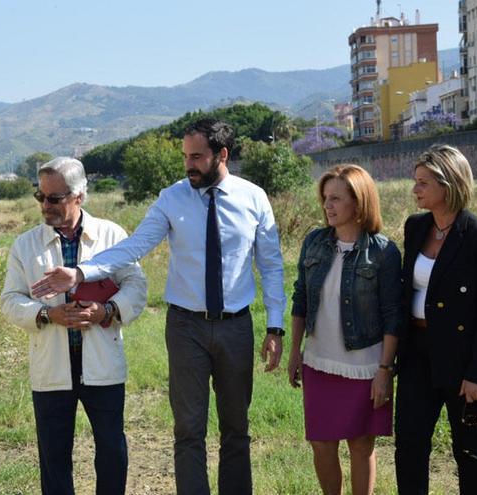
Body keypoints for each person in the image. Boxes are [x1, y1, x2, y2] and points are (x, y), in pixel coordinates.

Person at [31, 119, 286, 494]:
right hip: (186, 329)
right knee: (188, 430)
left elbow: (272, 264)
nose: (189, 164)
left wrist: (275, 327)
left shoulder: (254, 198)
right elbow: (133, 247)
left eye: (197, 156)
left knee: (236, 428)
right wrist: (81, 273)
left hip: (236, 327)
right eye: (185, 156)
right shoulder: (172, 198)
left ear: (222, 154)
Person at [0, 157, 147, 495]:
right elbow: (10, 300)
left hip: (103, 364)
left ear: (79, 196)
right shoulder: (26, 245)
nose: (45, 206)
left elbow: (137, 287)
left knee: (112, 451)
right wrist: (46, 315)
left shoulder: (111, 235)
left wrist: (106, 310)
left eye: (55, 198)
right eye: (41, 197)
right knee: (53, 458)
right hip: (51, 367)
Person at [394, 144, 477, 495]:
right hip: (417, 352)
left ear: (448, 185)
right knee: (410, 444)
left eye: (423, 183)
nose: (415, 189)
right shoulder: (416, 227)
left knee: (469, 450)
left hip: (466, 360)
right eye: (416, 181)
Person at [287, 164, 401, 495]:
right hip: (319, 362)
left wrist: (385, 370)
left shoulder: (383, 251)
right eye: (325, 198)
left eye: (336, 198)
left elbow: (393, 314)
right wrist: (296, 351)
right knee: (321, 444)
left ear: (359, 201)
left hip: (366, 366)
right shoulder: (314, 243)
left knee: (361, 446)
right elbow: (301, 298)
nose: (328, 206)